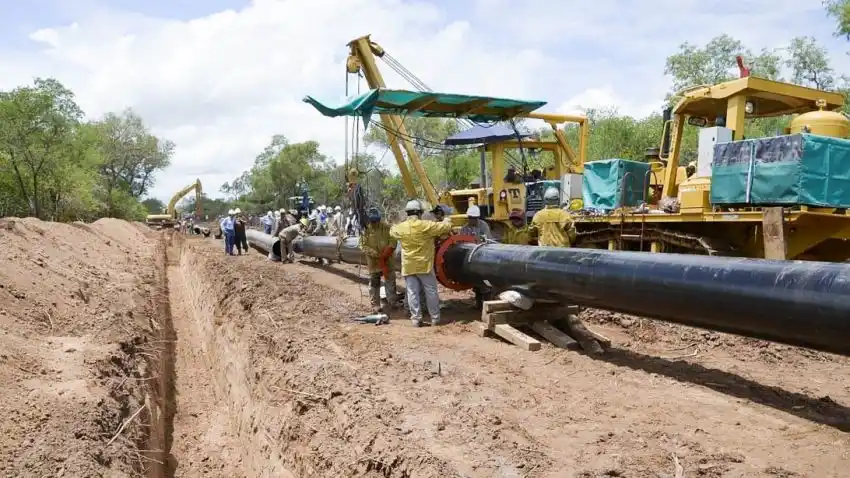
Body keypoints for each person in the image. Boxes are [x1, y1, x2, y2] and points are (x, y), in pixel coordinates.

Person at [390, 199, 453, 327]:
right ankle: (435, 318)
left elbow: (392, 231)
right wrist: (446, 218)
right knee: (431, 291)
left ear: (407, 213)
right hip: (424, 265)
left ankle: (416, 319)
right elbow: (445, 227)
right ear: (419, 213)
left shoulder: (401, 228)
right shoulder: (425, 225)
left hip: (408, 266)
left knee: (412, 292)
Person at [359, 207, 398, 313]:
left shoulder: (387, 227)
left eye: (376, 220)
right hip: (374, 262)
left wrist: (386, 254)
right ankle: (375, 305)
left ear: (379, 219)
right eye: (372, 221)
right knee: (374, 283)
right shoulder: (366, 230)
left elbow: (393, 241)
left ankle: (392, 302)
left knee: (390, 281)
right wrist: (374, 254)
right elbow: (362, 245)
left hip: (388, 261)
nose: (374, 222)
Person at [459, 205, 493, 309]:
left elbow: (487, 241)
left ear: (477, 218)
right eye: (470, 218)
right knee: (476, 282)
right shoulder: (464, 229)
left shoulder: (483, 226)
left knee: (484, 282)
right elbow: (461, 243)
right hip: (470, 258)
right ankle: (478, 303)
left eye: (474, 218)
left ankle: (487, 305)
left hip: (482, 257)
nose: (472, 220)